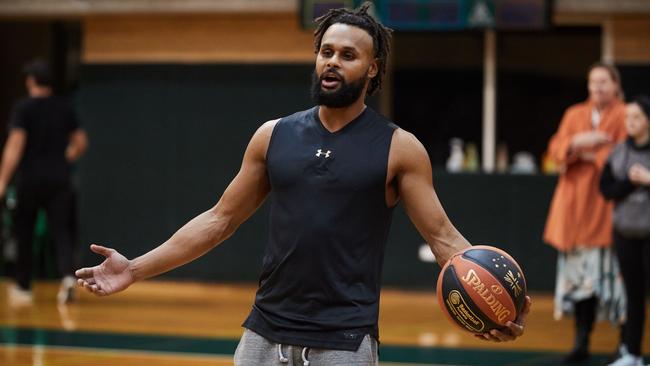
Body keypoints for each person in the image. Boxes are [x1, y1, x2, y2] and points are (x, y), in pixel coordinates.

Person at [76, 4, 530, 365]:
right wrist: (135, 269)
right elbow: (218, 220)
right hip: (262, 335)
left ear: (373, 69)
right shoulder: (273, 135)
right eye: (326, 52)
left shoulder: (399, 148)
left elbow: (442, 237)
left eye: (348, 55)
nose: (332, 62)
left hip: (344, 343)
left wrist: (493, 298)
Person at [543, 63, 628, 363]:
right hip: (574, 210)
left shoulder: (625, 114)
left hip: (607, 211)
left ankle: (625, 346)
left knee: (614, 282)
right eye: (593, 83)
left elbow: (627, 154)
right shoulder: (575, 114)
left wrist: (590, 153)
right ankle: (581, 341)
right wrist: (578, 143)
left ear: (616, 85)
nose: (597, 88)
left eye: (604, 82)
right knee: (578, 285)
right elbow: (556, 149)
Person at [1, 59, 88, 305]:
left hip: (29, 179)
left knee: (24, 232)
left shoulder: (23, 108)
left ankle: (23, 287)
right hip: (59, 179)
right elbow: (81, 142)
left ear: (31, 81)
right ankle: (68, 277)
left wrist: (2, 179)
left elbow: (15, 145)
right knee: (62, 231)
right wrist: (65, 157)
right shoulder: (65, 107)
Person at [600, 95, 650, 366]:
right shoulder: (619, 152)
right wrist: (631, 183)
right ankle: (632, 354)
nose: (630, 122)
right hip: (626, 235)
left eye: (636, 118)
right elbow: (606, 189)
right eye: (627, 117)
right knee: (634, 297)